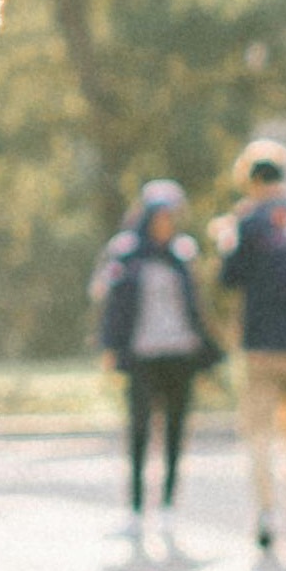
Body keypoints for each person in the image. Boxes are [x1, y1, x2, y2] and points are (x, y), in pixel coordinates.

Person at [205, 138, 286, 553]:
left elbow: (229, 279)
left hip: (261, 343)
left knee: (260, 434)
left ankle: (266, 511)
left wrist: (225, 239)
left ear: (252, 180)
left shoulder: (247, 222)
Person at [91, 181, 217, 540]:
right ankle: (134, 510)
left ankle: (168, 509)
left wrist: (206, 354)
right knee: (140, 432)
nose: (166, 224)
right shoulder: (125, 253)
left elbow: (196, 307)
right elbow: (110, 306)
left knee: (176, 432)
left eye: (170, 218)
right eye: (160, 217)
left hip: (180, 354)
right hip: (142, 355)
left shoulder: (183, 253)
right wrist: (111, 349)